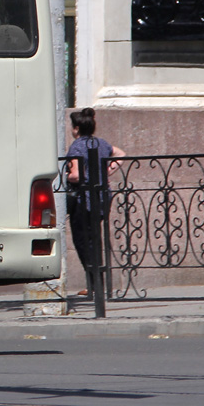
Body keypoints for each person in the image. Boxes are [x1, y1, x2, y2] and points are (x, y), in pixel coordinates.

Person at [65, 107, 125, 297]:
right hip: (101, 198)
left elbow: (76, 175)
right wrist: (106, 171)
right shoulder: (102, 143)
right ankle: (97, 285)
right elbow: (121, 154)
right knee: (96, 240)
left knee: (82, 241)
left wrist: (66, 176)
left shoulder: (76, 147)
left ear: (76, 129)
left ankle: (93, 285)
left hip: (83, 200)